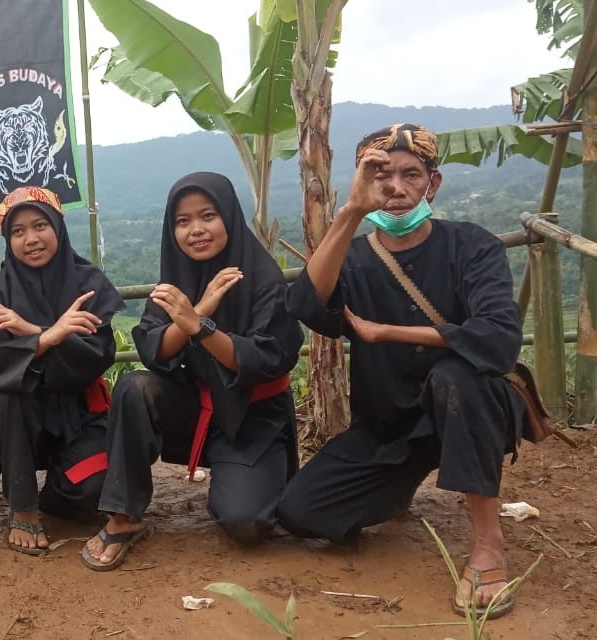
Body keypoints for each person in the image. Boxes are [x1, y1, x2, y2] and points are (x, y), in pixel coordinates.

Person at [277, 124, 525, 619]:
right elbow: (306, 305)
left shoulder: (471, 246)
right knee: (300, 512)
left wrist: (386, 332)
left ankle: (487, 545)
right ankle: (399, 486)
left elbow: (497, 338)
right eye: (379, 175)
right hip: (388, 425)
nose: (395, 187)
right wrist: (350, 212)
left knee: (457, 378)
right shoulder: (353, 258)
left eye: (411, 174)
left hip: (468, 412)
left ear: (432, 184)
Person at [85, 173, 303, 570]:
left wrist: (200, 328)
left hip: (252, 419)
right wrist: (197, 312)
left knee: (247, 522)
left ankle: (245, 478)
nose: (196, 230)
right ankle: (124, 516)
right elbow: (152, 348)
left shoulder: (264, 280)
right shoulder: (176, 281)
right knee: (135, 387)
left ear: (229, 217)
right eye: (182, 221)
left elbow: (268, 358)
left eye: (208, 216)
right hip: (194, 408)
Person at [0, 186, 123, 555]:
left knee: (95, 491)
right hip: (20, 425)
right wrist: (50, 337)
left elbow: (96, 356)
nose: (31, 239)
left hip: (79, 414)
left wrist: (30, 332)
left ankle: (56, 491)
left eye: (40, 225)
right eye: (18, 231)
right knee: (8, 395)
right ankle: (23, 507)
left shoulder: (88, 285)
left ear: (58, 227)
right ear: (8, 240)